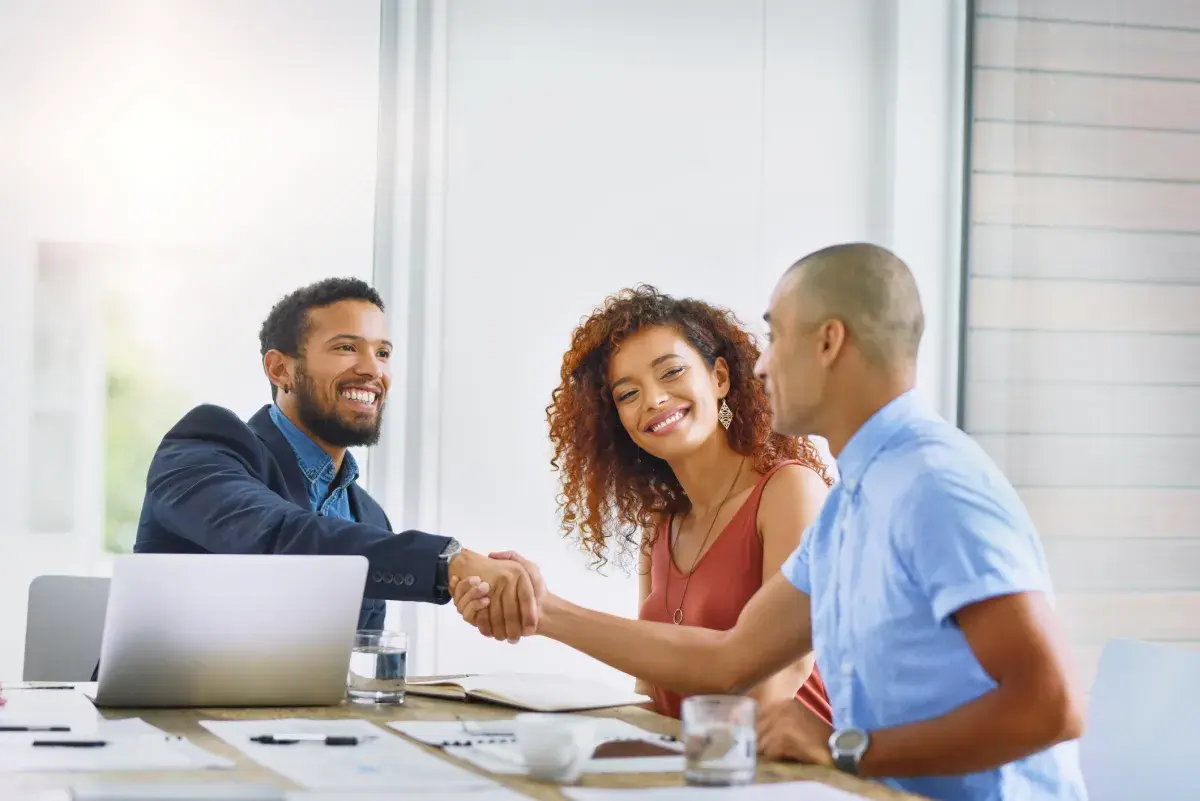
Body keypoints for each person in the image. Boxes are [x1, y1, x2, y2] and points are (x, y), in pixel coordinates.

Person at [454, 246, 1087, 801]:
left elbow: (1052, 706)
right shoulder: (855, 499)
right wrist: (542, 609)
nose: (761, 364)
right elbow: (732, 658)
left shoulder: (934, 485)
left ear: (829, 342)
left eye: (776, 336)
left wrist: (849, 748)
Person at [467, 285, 835, 722]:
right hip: (684, 766)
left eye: (672, 372)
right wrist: (511, 601)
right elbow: (650, 693)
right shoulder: (661, 523)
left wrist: (543, 610)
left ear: (719, 378)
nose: (654, 400)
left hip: (785, 778)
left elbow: (768, 695)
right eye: (627, 394)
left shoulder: (791, 490)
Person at [133, 277, 536, 639]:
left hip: (302, 720)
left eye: (382, 353)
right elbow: (279, 537)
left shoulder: (370, 518)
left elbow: (352, 660)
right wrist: (449, 562)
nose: (371, 370)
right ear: (280, 369)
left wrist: (481, 591)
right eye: (346, 348)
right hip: (161, 717)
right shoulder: (206, 445)